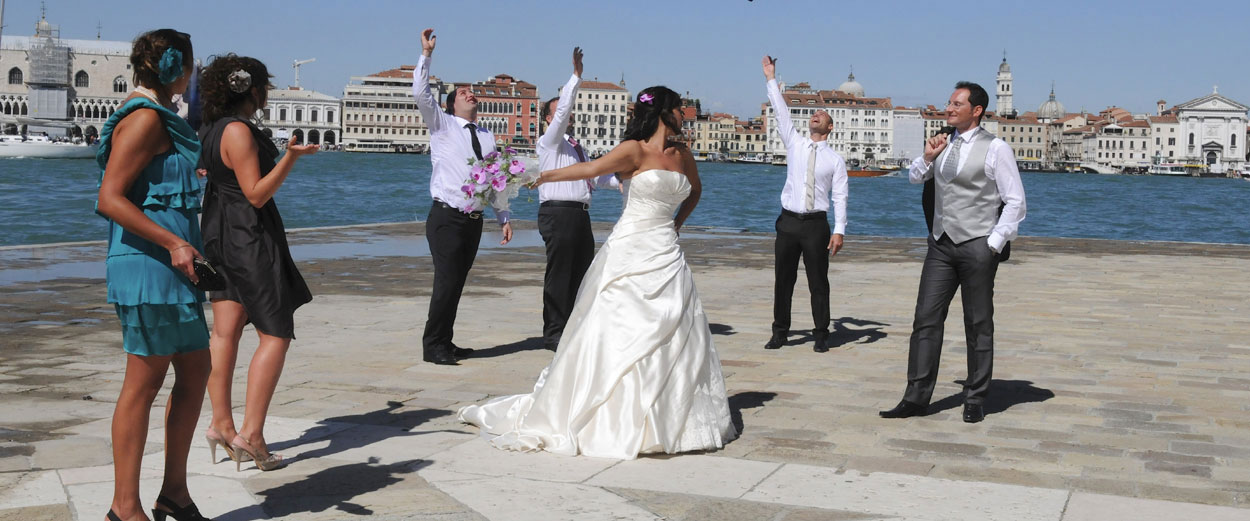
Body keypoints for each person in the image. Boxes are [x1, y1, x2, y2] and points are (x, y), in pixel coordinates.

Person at [458, 86, 737, 459]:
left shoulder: (682, 153)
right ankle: (609, 414)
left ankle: (670, 416)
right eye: (679, 109)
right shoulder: (633, 149)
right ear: (663, 113)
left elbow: (694, 192)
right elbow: (590, 169)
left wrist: (677, 225)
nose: (685, 114)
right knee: (620, 325)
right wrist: (542, 175)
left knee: (676, 323)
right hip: (630, 248)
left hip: (665, 249)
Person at [96, 29, 214, 521]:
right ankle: (125, 508)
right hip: (150, 264)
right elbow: (109, 197)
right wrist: (174, 241)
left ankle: (174, 493)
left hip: (172, 267)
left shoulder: (160, 115)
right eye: (192, 68)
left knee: (195, 369)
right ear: (179, 69)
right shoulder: (144, 119)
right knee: (142, 384)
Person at [879, 82, 1026, 424]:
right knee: (925, 319)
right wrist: (928, 157)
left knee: (978, 324)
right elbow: (915, 178)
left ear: (976, 110)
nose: (949, 107)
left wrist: (994, 243)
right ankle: (915, 397)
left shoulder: (996, 148)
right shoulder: (942, 142)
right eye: (948, 102)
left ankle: (975, 398)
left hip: (978, 245)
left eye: (957, 103)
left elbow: (1016, 201)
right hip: (940, 244)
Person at [198, 54, 319, 471]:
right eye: (264, 86)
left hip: (217, 231)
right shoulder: (239, 131)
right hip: (248, 236)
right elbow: (255, 193)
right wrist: (291, 158)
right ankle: (252, 434)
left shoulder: (212, 130)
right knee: (276, 333)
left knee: (225, 332)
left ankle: (220, 423)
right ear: (252, 90)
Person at [414, 28, 515, 366]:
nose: (471, 94)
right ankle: (433, 346)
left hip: (474, 219)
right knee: (446, 280)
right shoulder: (441, 124)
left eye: (473, 92)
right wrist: (427, 55)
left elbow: (494, 179)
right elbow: (420, 93)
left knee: (456, 283)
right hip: (446, 216)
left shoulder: (486, 137)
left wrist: (503, 218)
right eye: (464, 92)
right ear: (451, 104)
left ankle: (446, 340)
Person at [760, 55, 849, 353]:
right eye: (814, 112)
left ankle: (821, 333)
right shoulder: (795, 143)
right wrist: (771, 77)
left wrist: (839, 230)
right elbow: (781, 112)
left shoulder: (835, 160)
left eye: (822, 114)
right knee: (783, 280)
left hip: (815, 225)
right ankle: (779, 332)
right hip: (787, 222)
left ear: (830, 126)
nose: (816, 114)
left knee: (817, 282)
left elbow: (840, 196)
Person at [535, 46, 618, 352]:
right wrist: (576, 77)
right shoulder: (549, 143)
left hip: (580, 214)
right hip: (558, 213)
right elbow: (562, 113)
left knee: (581, 271)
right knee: (560, 273)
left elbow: (592, 176)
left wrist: (617, 183)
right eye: (558, 112)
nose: (565, 116)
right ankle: (554, 332)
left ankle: (571, 327)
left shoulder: (574, 145)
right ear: (548, 118)